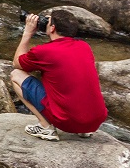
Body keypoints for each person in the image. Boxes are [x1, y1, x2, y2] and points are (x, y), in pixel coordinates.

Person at [10, 9, 108, 141]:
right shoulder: (85, 47)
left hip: (66, 121)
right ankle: (83, 131)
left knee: (16, 75)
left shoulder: (44, 51)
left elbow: (17, 63)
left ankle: (46, 128)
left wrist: (27, 33)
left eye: (48, 21)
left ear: (52, 28)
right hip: (95, 121)